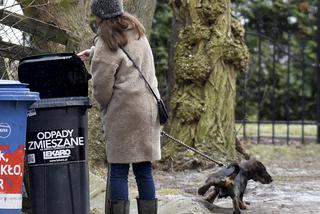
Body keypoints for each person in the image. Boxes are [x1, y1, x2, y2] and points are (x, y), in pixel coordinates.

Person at [78, 0, 161, 213]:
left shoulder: (106, 43)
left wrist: (104, 106)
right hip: (149, 108)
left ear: (100, 16)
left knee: (118, 170)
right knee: (144, 169)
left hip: (124, 113)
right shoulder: (136, 31)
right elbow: (126, 58)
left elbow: (102, 91)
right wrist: (93, 51)